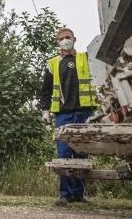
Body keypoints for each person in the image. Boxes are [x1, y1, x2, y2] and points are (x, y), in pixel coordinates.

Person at [38, 27, 98, 205]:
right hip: (63, 114)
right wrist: (45, 110)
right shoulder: (53, 63)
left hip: (84, 111)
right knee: (64, 154)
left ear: (74, 39)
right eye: (62, 38)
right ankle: (64, 194)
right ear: (58, 42)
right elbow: (46, 90)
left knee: (81, 153)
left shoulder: (85, 59)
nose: (65, 40)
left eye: (68, 37)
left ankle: (78, 194)